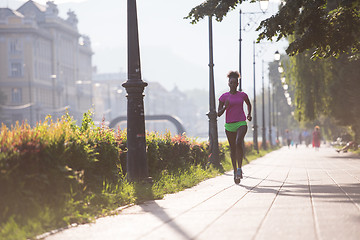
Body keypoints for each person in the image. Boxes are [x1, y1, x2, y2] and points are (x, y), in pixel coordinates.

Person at [217, 71, 252, 184]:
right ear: (228, 83)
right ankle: (234, 171)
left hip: (241, 122)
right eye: (231, 82)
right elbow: (218, 113)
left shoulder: (242, 95)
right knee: (232, 148)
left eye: (235, 82)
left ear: (237, 84)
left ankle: (239, 169)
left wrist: (249, 114)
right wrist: (224, 107)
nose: (233, 84)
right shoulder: (223, 97)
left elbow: (248, 104)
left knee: (238, 143)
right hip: (229, 125)